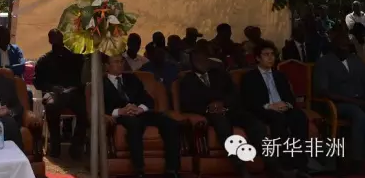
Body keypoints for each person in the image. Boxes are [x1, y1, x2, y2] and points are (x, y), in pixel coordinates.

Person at [179, 49, 284, 178]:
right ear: (192, 63)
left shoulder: (220, 74)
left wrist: (223, 103)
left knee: (254, 123)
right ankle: (240, 166)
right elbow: (186, 104)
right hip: (211, 115)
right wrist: (208, 108)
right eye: (197, 60)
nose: (202, 62)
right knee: (222, 125)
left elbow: (234, 94)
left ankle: (272, 164)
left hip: (230, 109)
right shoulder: (187, 81)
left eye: (204, 58)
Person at [103, 54, 180, 178]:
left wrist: (140, 109)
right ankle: (139, 169)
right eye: (116, 62)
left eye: (121, 61)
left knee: (169, 122)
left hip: (139, 112)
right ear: (107, 66)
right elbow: (101, 107)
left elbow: (148, 99)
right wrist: (120, 111)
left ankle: (172, 169)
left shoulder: (132, 78)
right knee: (134, 124)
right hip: (120, 116)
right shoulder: (101, 83)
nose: (120, 64)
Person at [241, 41, 310, 177]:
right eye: (266, 55)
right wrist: (269, 106)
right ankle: (285, 165)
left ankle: (301, 164)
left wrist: (286, 105)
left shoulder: (280, 75)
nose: (270, 58)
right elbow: (249, 102)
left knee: (300, 117)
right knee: (278, 119)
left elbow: (290, 97)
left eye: (272, 54)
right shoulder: (250, 77)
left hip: (283, 108)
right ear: (258, 58)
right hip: (264, 110)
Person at [313, 32, 365, 173]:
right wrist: (353, 101)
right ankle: (357, 159)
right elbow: (322, 91)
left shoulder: (355, 60)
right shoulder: (324, 62)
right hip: (337, 104)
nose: (346, 48)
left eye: (348, 45)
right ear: (334, 46)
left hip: (359, 100)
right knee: (359, 115)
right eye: (342, 46)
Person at [34, 29, 86, 159]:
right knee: (51, 106)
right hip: (53, 94)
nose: (57, 42)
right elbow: (38, 82)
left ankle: (76, 145)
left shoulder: (75, 58)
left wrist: (73, 88)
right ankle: (55, 144)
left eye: (59, 39)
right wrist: (52, 87)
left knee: (86, 109)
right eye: (54, 39)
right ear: (50, 40)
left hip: (72, 94)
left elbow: (81, 80)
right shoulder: (44, 60)